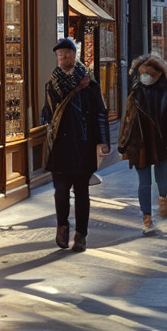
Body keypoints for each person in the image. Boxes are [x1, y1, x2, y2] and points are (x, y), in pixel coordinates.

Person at [42, 37, 109, 252]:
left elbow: (100, 112)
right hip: (61, 148)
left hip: (83, 145)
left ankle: (81, 235)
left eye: (67, 54)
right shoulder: (52, 83)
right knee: (60, 192)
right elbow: (48, 113)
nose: (63, 58)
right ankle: (63, 227)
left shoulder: (89, 83)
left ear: (74, 55)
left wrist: (103, 141)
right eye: (60, 55)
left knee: (81, 193)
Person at [118, 53, 167, 234]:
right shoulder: (136, 91)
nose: (145, 77)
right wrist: (123, 145)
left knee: (161, 178)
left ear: (158, 74)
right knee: (144, 183)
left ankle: (163, 199)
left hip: (161, 140)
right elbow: (128, 120)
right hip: (140, 142)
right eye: (142, 73)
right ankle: (147, 218)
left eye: (148, 73)